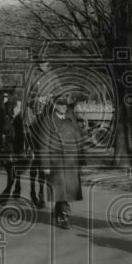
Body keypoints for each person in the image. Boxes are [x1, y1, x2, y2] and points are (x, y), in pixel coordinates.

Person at [37, 95, 83, 229]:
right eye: (61, 104)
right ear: (55, 105)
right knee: (61, 189)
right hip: (56, 162)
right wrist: (45, 165)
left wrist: (80, 160)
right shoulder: (48, 121)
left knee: (66, 190)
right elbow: (44, 145)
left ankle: (59, 213)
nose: (64, 107)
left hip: (70, 161)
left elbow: (78, 139)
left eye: (65, 105)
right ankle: (62, 216)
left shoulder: (71, 121)